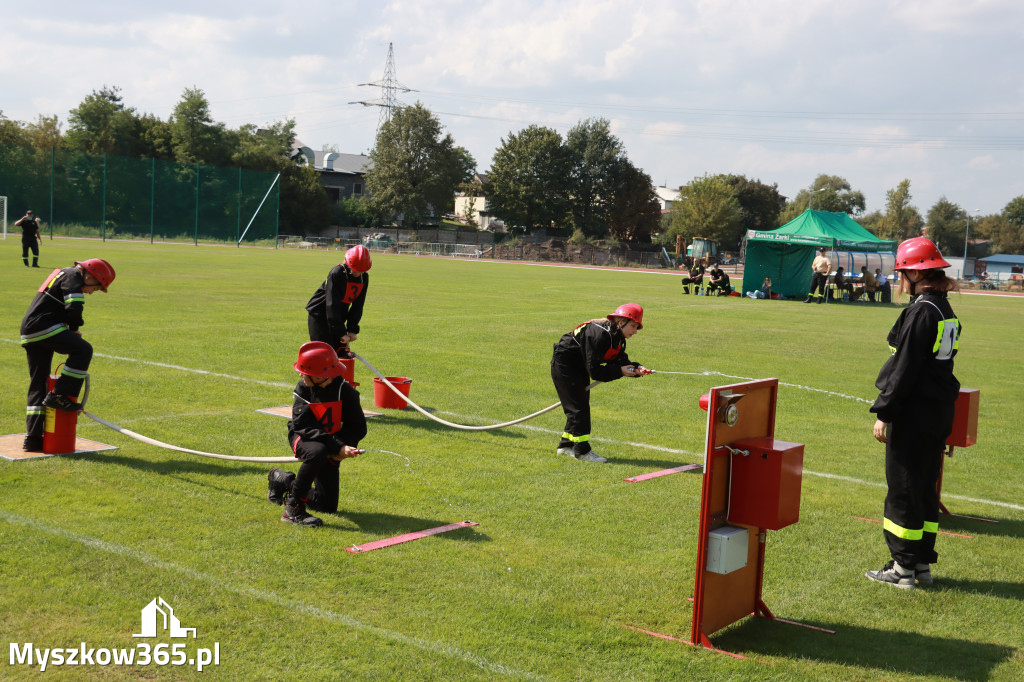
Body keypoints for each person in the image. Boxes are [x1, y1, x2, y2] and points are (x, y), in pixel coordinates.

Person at [866, 237, 961, 589]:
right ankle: (921, 564)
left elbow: (905, 369)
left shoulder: (922, 310)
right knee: (922, 490)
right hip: (936, 413)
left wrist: (885, 413)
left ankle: (902, 570)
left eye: (901, 272)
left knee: (904, 489)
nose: (899, 279)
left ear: (914, 273)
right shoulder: (942, 307)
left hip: (916, 414)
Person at [19, 259, 116, 452]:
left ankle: (33, 439)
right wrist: (73, 329)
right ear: (89, 276)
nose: (90, 292)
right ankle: (60, 395)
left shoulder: (63, 273)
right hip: (42, 327)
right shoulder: (72, 275)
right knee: (83, 350)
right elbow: (74, 306)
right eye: (95, 288)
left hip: (30, 330)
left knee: (39, 382)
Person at [267, 342, 368, 527]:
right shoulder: (303, 388)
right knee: (317, 451)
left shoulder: (347, 393)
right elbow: (302, 425)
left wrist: (344, 447)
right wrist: (336, 446)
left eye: (304, 371)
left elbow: (358, 427)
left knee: (327, 506)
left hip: (331, 442)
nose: (300, 374)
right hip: (303, 436)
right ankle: (293, 509)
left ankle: (284, 480)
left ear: (321, 376)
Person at [550, 304, 651, 463]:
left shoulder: (616, 336)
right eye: (633, 326)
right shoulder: (599, 334)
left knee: (580, 406)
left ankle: (566, 446)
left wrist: (637, 368)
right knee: (578, 409)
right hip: (565, 366)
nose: (635, 331)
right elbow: (596, 372)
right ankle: (582, 452)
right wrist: (620, 371)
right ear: (620, 322)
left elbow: (619, 359)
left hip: (579, 367)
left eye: (637, 327)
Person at [305, 244, 371, 357]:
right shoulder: (337, 273)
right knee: (323, 355)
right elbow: (331, 304)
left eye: (362, 270)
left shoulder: (364, 277)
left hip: (337, 316)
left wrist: (352, 330)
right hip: (320, 314)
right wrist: (340, 332)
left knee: (341, 355)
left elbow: (358, 305)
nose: (358, 273)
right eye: (356, 269)